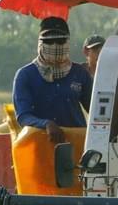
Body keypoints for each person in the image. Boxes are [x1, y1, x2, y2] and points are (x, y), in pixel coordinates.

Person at [12, 16, 92, 144]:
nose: (55, 46)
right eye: (49, 42)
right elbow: (23, 116)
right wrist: (46, 124)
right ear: (40, 43)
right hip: (39, 144)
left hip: (76, 142)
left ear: (67, 43)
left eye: (60, 41)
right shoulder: (25, 75)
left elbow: (94, 110)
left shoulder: (79, 73)